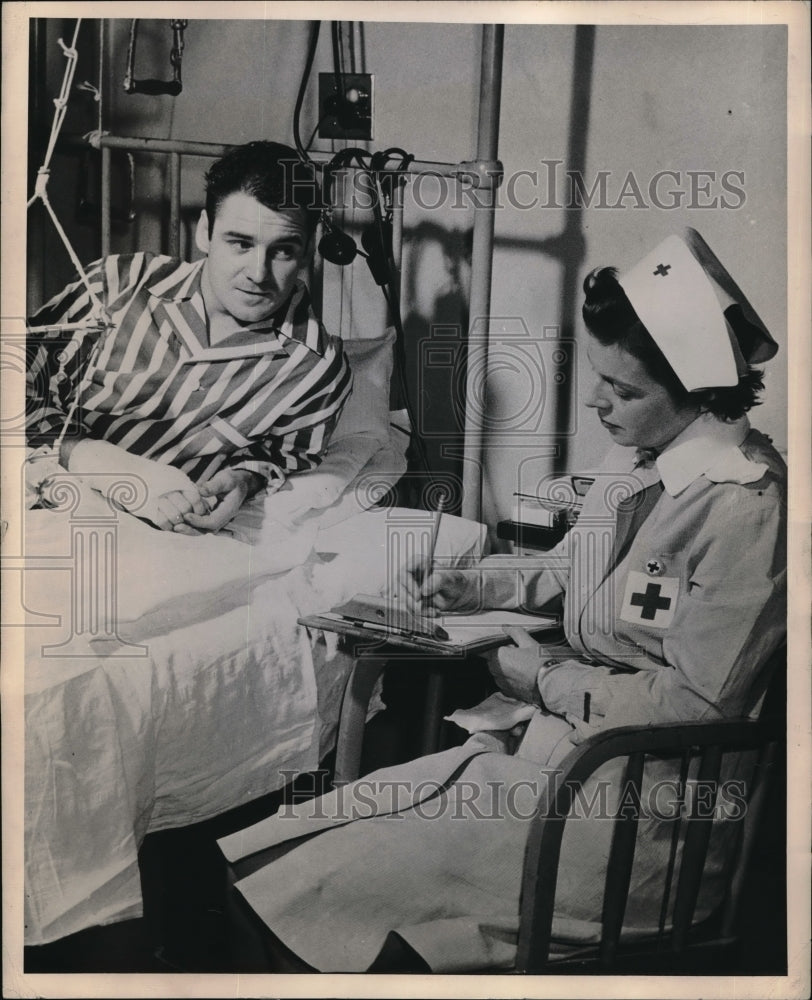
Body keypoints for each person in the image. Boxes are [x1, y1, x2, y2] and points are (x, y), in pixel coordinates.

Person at [217, 228, 786, 972]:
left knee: (338, 882)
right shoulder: (642, 461)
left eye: (624, 390)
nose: (596, 403)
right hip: (556, 762)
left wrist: (547, 680)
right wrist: (471, 582)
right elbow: (571, 569)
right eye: (599, 378)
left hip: (638, 823)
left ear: (699, 393)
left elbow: (702, 707)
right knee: (297, 838)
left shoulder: (746, 509)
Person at [25, 141, 352, 536]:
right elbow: (16, 380)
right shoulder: (119, 286)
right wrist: (99, 460)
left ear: (307, 252)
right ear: (204, 232)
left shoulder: (315, 367)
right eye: (240, 243)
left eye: (282, 251)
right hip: (36, 488)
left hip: (152, 540)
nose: (258, 273)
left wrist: (245, 480)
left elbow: (285, 455)